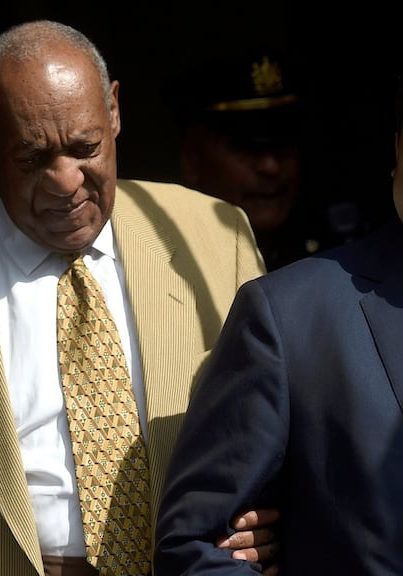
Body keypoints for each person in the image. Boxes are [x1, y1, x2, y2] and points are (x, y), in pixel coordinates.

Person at [0, 19, 278, 576]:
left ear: (114, 110)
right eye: (33, 158)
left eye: (85, 147)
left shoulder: (214, 236)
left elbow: (274, 433)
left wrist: (271, 519)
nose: (66, 181)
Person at [153, 72, 403, 575]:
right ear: (397, 150)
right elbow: (198, 549)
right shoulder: (290, 313)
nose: (269, 165)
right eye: (248, 148)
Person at [169, 49, 361, 270]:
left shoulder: (339, 255)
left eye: (284, 144)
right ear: (192, 160)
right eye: (245, 147)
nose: (271, 166)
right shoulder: (167, 265)